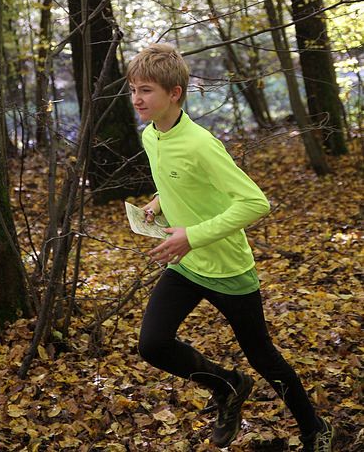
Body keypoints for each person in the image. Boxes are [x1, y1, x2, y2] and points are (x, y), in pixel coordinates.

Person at [126, 43, 335, 451]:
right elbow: (176, 180)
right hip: (187, 265)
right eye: (133, 89)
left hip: (227, 269)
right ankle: (229, 386)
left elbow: (256, 202)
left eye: (146, 90)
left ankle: (315, 428)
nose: (137, 99)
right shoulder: (151, 135)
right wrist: (158, 201)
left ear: (175, 93)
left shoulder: (202, 144)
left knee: (264, 357)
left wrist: (194, 234)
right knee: (153, 344)